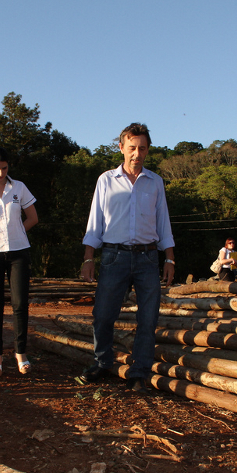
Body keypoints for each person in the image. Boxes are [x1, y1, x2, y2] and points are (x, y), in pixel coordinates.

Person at [80, 123, 175, 394]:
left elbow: (163, 222)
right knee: (103, 315)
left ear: (148, 150)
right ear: (121, 148)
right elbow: (95, 222)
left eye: (142, 148)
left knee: (148, 318)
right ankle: (102, 362)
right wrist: (89, 258)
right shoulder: (106, 180)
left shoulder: (155, 182)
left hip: (148, 258)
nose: (137, 153)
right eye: (132, 147)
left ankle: (139, 372)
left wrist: (169, 259)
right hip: (114, 256)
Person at [0, 147, 38, 377]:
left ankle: (20, 353)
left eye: (4, 168)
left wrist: (16, 232)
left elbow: (33, 218)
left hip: (18, 251)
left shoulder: (19, 187)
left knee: (20, 303)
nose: (1, 173)